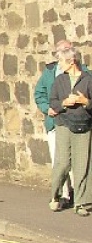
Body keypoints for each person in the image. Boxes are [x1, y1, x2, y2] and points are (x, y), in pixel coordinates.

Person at [48, 47, 92, 215]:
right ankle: (56, 196)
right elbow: (53, 102)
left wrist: (84, 101)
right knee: (63, 163)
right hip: (64, 123)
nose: (59, 65)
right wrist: (64, 104)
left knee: (82, 166)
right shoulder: (60, 80)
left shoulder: (88, 79)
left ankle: (80, 204)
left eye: (61, 61)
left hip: (83, 125)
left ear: (71, 61)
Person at [36, 39, 78, 208]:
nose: (63, 54)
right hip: (54, 122)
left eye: (67, 50)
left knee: (77, 161)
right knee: (58, 161)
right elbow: (39, 93)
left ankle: (79, 195)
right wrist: (47, 108)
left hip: (75, 123)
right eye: (60, 52)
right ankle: (62, 194)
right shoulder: (49, 72)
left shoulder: (83, 71)